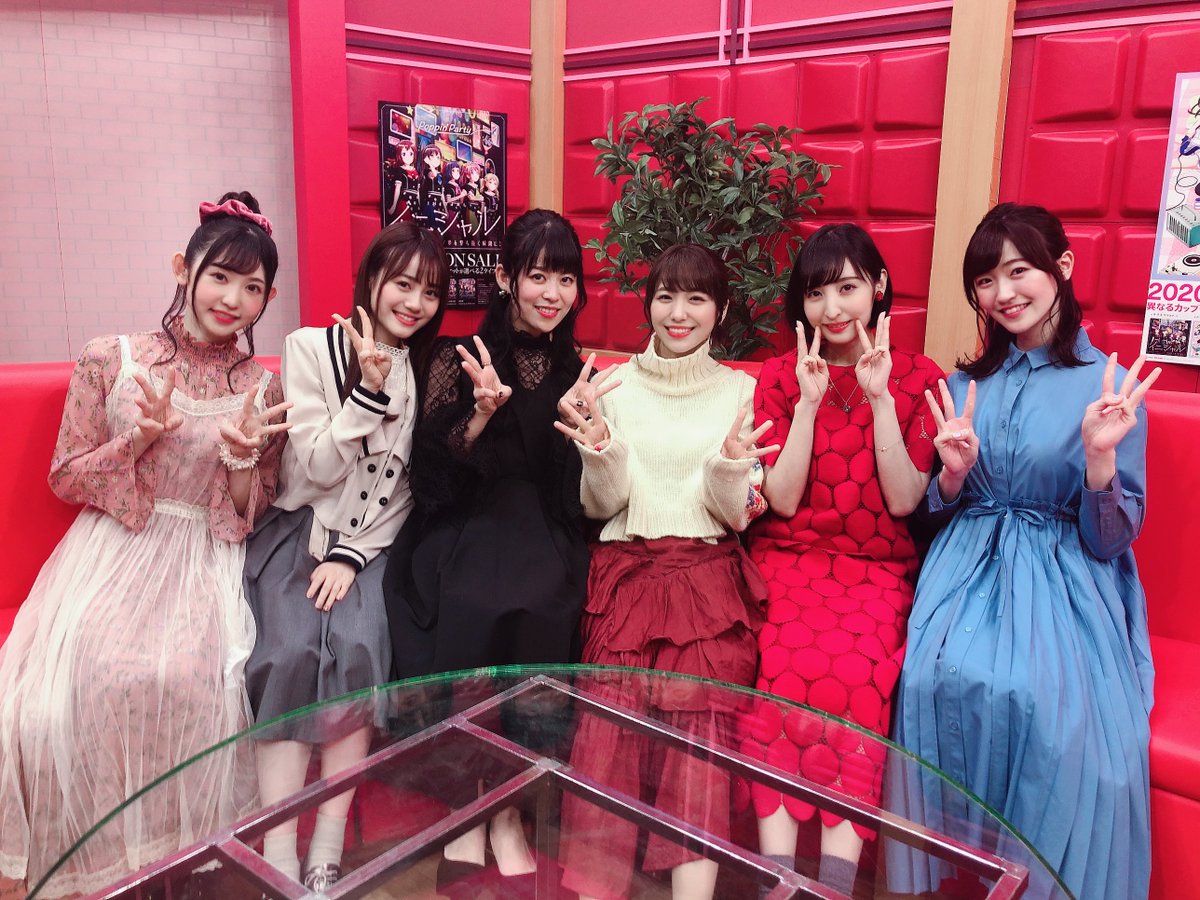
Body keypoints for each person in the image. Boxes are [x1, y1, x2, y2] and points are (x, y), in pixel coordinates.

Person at [0, 191, 290, 897]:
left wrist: (244, 460)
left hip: (204, 564)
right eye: (220, 276)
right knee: (79, 688)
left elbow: (246, 517)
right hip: (112, 554)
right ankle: (105, 865)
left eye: (252, 288)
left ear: (268, 299)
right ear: (182, 269)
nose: (233, 300)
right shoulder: (111, 358)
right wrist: (138, 439)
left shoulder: (264, 388)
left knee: (195, 682)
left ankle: (179, 863)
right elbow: (65, 476)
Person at [891, 203, 1159, 900]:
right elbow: (933, 516)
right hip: (966, 569)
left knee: (1046, 709)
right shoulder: (963, 386)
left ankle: (1032, 881)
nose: (1003, 293)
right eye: (985, 280)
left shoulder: (1110, 389)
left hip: (1066, 578)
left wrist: (1100, 460)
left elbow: (1109, 540)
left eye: (1018, 271)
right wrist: (952, 477)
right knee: (928, 679)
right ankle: (956, 869)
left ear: (1062, 267)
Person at [557, 243, 776, 900]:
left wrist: (730, 467)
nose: (678, 313)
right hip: (626, 575)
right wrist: (600, 448)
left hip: (707, 579)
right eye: (666, 297)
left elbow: (740, 514)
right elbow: (602, 505)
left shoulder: (743, 391)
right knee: (608, 733)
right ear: (648, 303)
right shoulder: (612, 384)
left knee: (698, 743)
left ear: (722, 310)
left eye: (696, 299)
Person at [384, 208, 591, 895]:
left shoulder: (578, 371)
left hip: (543, 529)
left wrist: (586, 437)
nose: (553, 293)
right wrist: (478, 414)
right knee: (470, 602)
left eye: (566, 279)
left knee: (545, 606)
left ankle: (505, 812)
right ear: (505, 278)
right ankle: (468, 809)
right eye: (538, 276)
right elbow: (430, 479)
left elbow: (572, 496)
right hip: (465, 523)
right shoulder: (458, 356)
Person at [242, 222, 448, 891]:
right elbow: (315, 469)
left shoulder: (429, 368)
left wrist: (354, 556)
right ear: (372, 279)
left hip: (372, 545)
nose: (415, 303)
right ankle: (278, 846)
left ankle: (327, 847)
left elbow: (409, 490)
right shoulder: (309, 348)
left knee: (359, 650)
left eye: (430, 292)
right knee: (288, 652)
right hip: (298, 532)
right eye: (403, 284)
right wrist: (366, 394)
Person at [739, 224, 942, 894]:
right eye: (816, 292)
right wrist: (807, 404)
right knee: (780, 663)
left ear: (878, 287)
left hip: (876, 571)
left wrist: (880, 398)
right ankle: (776, 883)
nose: (832, 308)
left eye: (848, 288)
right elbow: (782, 500)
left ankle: (832, 882)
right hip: (788, 559)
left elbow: (905, 501)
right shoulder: (779, 376)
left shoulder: (920, 378)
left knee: (855, 677)